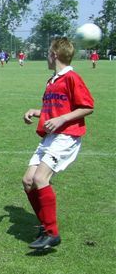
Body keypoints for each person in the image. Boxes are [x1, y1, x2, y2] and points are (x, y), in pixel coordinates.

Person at [21, 37, 94, 251]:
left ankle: (51, 233)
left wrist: (62, 119)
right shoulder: (52, 80)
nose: (46, 57)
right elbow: (54, 110)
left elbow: (87, 106)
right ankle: (45, 226)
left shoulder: (71, 77)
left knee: (40, 178)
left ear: (54, 54)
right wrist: (37, 112)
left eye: (47, 53)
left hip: (67, 135)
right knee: (27, 181)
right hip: (51, 137)